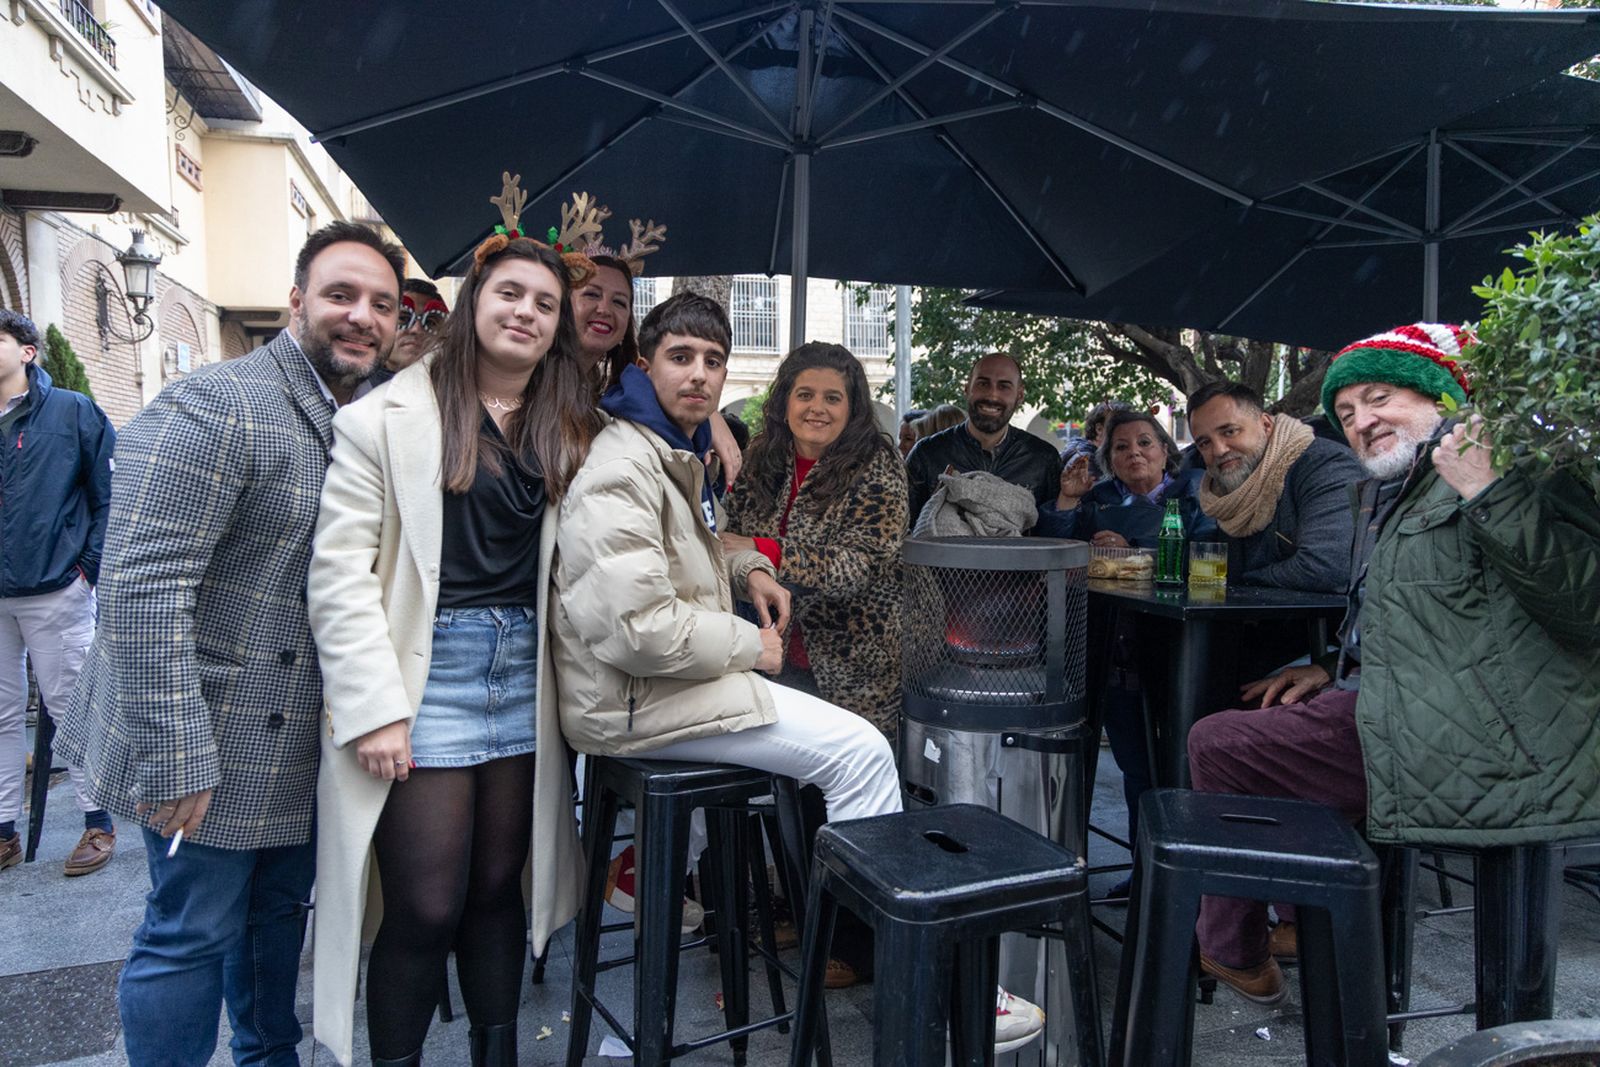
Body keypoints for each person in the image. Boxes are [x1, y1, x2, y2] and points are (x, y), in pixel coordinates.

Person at [552, 294, 1049, 1055]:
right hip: (681, 680)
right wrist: (748, 627)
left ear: (854, 408)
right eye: (683, 358)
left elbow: (835, 561)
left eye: (713, 361)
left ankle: (837, 942)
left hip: (841, 659)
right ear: (644, 364)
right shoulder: (658, 456)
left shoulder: (694, 449)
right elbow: (671, 594)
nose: (701, 375)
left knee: (845, 770)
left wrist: (757, 559)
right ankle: (926, 975)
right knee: (846, 766)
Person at [55, 221, 403, 1066]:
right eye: (342, 295)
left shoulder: (355, 418)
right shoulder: (218, 402)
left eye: (382, 305)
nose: (362, 316)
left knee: (275, 923)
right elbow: (141, 589)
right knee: (188, 935)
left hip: (293, 746)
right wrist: (178, 757)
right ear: (297, 302)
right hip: (202, 737)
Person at [1187, 323, 1600, 1005]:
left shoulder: (1507, 461)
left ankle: (1240, 944)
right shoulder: (1404, 487)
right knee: (1260, 729)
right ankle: (1303, 927)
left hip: (1489, 739)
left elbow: (1585, 604)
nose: (1361, 422)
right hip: (1413, 704)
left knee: (1223, 746)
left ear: (1439, 396)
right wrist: (1329, 666)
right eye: (1346, 413)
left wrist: (1489, 489)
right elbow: (1427, 613)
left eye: (1380, 399)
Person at [308, 193, 599, 1066]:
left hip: (523, 675)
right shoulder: (384, 417)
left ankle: (496, 1052)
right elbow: (339, 574)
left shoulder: (570, 431)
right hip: (423, 672)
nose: (528, 313)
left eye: (546, 305)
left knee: (495, 893)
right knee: (424, 904)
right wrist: (373, 707)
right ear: (475, 302)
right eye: (512, 293)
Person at [723, 342, 907, 988]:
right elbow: (725, 539)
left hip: (856, 666)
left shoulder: (877, 464)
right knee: (793, 806)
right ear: (785, 401)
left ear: (853, 405)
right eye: (805, 394)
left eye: (833, 396)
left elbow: (859, 565)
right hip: (773, 654)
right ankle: (805, 915)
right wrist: (748, 551)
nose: (818, 407)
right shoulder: (764, 459)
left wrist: (762, 550)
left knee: (854, 809)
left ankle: (859, 947)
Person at [0, 309, 116, 875]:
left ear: (27, 351)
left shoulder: (71, 411)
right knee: (0, 713)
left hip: (56, 589)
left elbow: (109, 494)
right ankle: (4, 831)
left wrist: (86, 569)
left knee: (71, 708)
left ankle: (98, 824)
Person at [1187, 381, 1361, 593]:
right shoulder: (1224, 491)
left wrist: (1242, 582)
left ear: (1266, 425)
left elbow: (1327, 567)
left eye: (1230, 431)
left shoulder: (1325, 465)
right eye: (1204, 443)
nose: (1219, 450)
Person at [904, 353, 1060, 528]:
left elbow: (1052, 537)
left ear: (1020, 395)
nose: (992, 395)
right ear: (967, 388)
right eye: (983, 384)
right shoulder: (926, 454)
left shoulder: (1043, 459)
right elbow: (904, 531)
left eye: (1004, 386)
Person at [370, 279, 449, 385]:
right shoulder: (353, 390)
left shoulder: (455, 390)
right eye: (403, 318)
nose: (417, 329)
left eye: (430, 322)